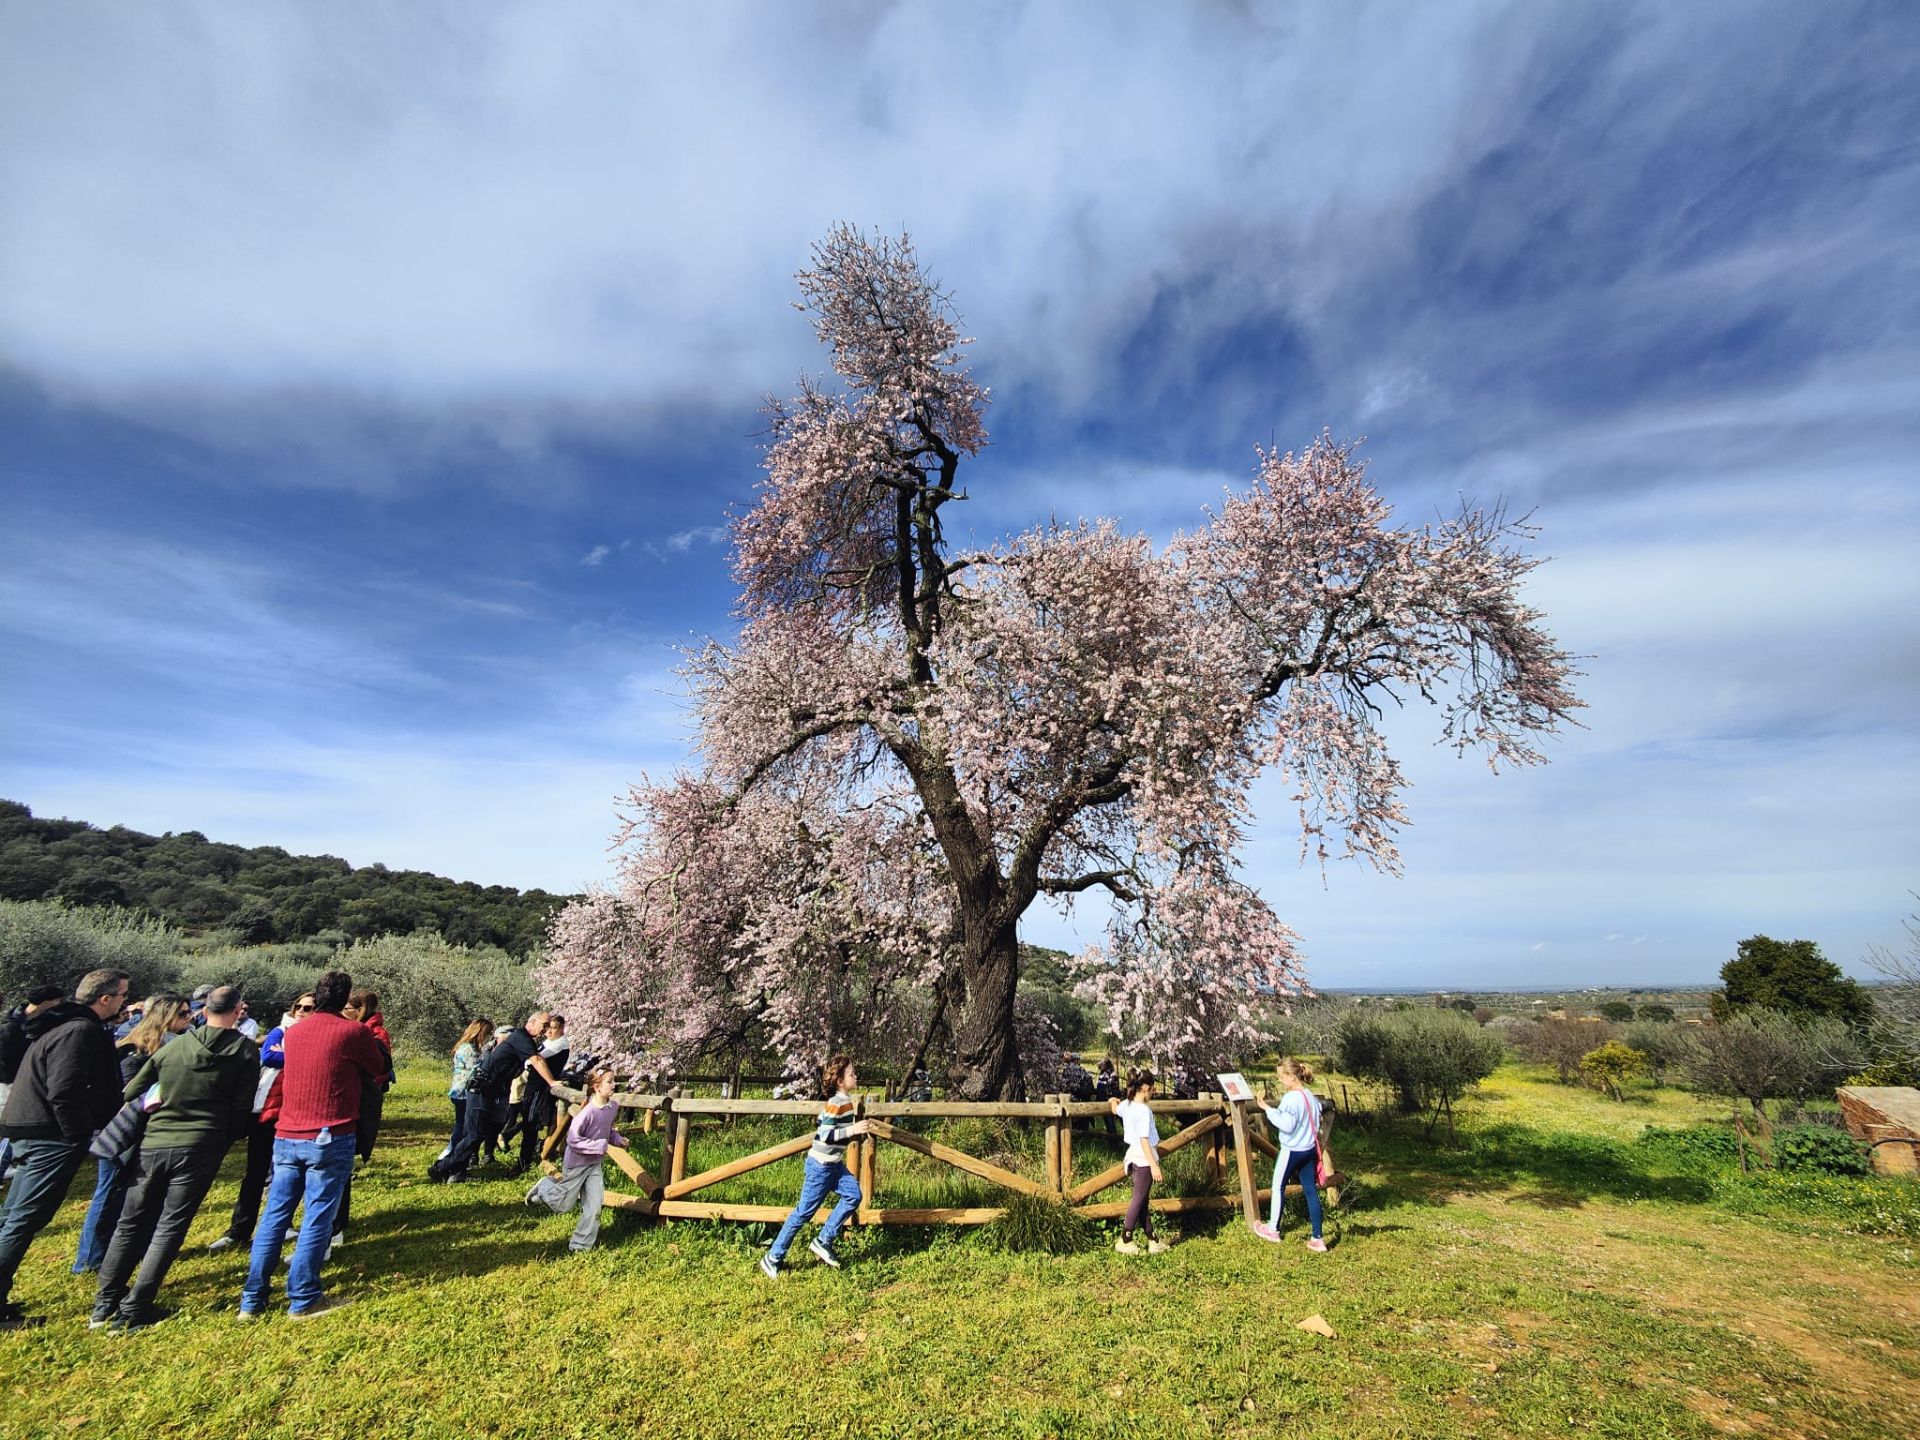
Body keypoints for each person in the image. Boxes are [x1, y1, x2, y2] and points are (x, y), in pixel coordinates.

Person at [90, 986, 259, 1330]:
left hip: (154, 1142)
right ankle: (137, 1306)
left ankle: (104, 1304)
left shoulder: (175, 1047)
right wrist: (227, 1135)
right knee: (170, 1225)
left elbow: (133, 1091)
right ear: (236, 1010)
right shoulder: (243, 1050)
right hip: (203, 1143)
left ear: (204, 1010)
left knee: (129, 1223)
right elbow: (242, 1106)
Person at [238, 970, 386, 1320]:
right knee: (318, 1216)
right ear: (346, 999)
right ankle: (304, 1296)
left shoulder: (295, 1032)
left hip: (287, 1133)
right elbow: (377, 1067)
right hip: (330, 1133)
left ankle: (252, 1299)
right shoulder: (352, 1032)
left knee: (274, 1215)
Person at [0, 968, 130, 1331]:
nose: (124, 1002)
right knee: (23, 1220)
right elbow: (64, 1089)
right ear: (105, 998)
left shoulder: (61, 1023)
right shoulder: (79, 1030)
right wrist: (77, 1135)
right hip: (48, 1135)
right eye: (122, 995)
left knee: (12, 1217)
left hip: (33, 1127)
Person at [74, 993, 189, 1274]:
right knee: (109, 1191)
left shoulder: (169, 1045)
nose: (189, 1018)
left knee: (133, 1193)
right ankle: (90, 1258)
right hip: (122, 1129)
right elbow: (124, 1093)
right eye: (183, 1013)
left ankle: (127, 1249)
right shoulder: (135, 1050)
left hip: (149, 1130)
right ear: (166, 1016)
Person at [209, 990, 310, 1254]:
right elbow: (269, 1056)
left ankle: (283, 1224)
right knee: (255, 1172)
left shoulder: (310, 1035)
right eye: (299, 1006)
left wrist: (291, 1056)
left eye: (309, 1008)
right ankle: (239, 1229)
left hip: (295, 1111)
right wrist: (303, 1058)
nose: (302, 1011)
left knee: (287, 1174)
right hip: (266, 1111)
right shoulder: (279, 1031)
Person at [759, 1053, 870, 1279]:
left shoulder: (844, 1101)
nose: (856, 1076)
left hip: (834, 1166)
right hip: (820, 1167)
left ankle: (823, 1240)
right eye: (851, 1074)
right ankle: (772, 1257)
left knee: (853, 1195)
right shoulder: (836, 1103)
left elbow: (823, 1121)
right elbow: (825, 1134)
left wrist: (848, 1129)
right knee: (803, 1213)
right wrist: (853, 1130)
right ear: (840, 1080)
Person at [428, 1011, 558, 1184]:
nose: (546, 1029)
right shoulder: (521, 1037)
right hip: (481, 1090)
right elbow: (537, 1060)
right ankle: (440, 1168)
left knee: (477, 1133)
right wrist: (552, 1082)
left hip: (489, 1092)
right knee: (475, 1134)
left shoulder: (523, 1040)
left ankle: (456, 1172)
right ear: (532, 1022)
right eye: (544, 1025)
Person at [524, 1066, 626, 1253]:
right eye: (610, 1081)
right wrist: (599, 1146)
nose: (614, 1085)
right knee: (563, 1205)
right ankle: (545, 1187)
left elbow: (607, 1130)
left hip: (594, 1165)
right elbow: (573, 1140)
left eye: (614, 1081)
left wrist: (618, 1139)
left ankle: (580, 1245)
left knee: (594, 1206)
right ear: (597, 1087)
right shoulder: (587, 1112)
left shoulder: (612, 1108)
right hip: (576, 1164)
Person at [1253, 1057, 1327, 1253]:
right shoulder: (1309, 1095)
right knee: (1311, 1191)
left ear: (1292, 1077)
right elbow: (1317, 1117)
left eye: (1281, 1076)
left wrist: (1268, 1110)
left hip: (1292, 1150)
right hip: (1309, 1149)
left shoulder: (1290, 1098)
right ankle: (1318, 1238)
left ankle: (1273, 1229)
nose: (1280, 1080)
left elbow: (1287, 1125)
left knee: (1278, 1186)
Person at [0, 984, 66, 1184]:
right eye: (57, 1003)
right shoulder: (12, 1028)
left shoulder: (34, 1022)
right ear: (46, 1003)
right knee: (13, 1130)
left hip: (24, 1083)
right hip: (12, 1084)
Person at [1108, 1069, 1170, 1255]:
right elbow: (1144, 1139)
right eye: (1152, 1089)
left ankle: (1153, 1239)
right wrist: (1154, 1165)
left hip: (1133, 1156)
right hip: (1144, 1159)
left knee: (1142, 1200)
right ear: (1145, 1088)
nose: (1152, 1093)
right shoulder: (1144, 1111)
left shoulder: (1127, 1105)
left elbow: (1115, 1110)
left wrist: (1112, 1101)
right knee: (1138, 1199)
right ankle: (1125, 1238)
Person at [516, 1014, 569, 1174]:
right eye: (547, 1028)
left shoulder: (560, 1044)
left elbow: (534, 1059)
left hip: (540, 1088)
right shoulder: (547, 1043)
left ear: (561, 1028)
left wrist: (530, 1061)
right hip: (533, 1086)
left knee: (531, 1122)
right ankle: (528, 1156)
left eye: (553, 1028)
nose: (549, 1032)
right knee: (527, 1119)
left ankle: (525, 1160)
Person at [442, 1019, 491, 1162]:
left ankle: (453, 1155)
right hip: (464, 1091)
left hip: (458, 1089)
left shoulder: (464, 1046)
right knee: (463, 1127)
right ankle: (451, 1155)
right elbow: (474, 1071)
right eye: (487, 1033)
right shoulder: (470, 1050)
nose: (488, 1037)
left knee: (461, 1125)